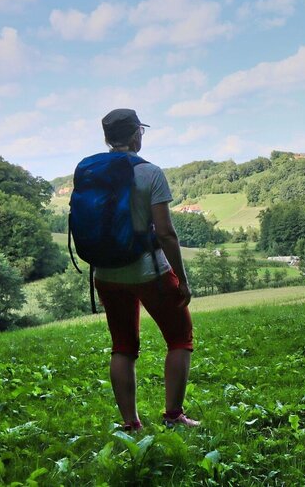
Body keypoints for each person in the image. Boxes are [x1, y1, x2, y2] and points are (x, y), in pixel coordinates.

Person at [93, 108, 199, 430]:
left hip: (106, 274)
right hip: (148, 270)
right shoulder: (150, 173)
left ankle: (130, 424)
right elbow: (165, 232)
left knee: (123, 346)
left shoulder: (90, 172)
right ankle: (173, 416)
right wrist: (181, 277)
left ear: (108, 138)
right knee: (180, 338)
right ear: (136, 134)